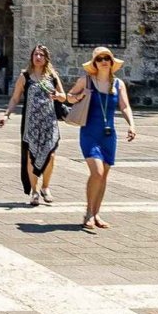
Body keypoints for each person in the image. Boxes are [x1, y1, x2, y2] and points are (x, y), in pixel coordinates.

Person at [64, 47, 137, 230]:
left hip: (109, 134)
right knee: (96, 172)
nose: (104, 61)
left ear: (112, 62)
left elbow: (125, 106)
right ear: (95, 63)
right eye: (99, 59)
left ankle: (97, 214)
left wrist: (132, 125)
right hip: (89, 132)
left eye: (107, 58)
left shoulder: (118, 84)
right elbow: (69, 97)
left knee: (103, 175)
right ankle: (88, 212)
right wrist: (80, 96)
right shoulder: (86, 81)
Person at [0, 45, 66, 206]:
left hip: (49, 123)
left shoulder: (52, 76)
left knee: (51, 155)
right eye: (36, 54)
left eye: (41, 54)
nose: (38, 57)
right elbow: (15, 98)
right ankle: (34, 191)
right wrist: (6, 114)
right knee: (31, 157)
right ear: (32, 57)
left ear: (46, 58)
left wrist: (57, 95)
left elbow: (64, 97)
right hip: (31, 124)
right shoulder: (25, 76)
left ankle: (46, 187)